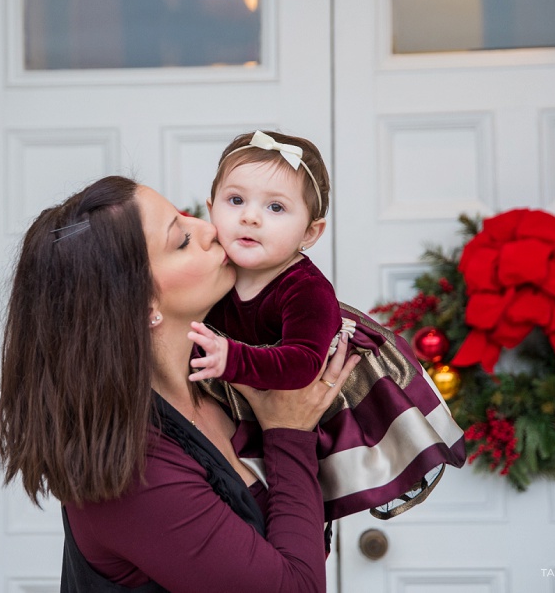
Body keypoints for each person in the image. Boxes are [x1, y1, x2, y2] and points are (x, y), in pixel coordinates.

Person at [0, 175, 360, 592]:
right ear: (142, 304)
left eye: (190, 218)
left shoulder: (221, 382)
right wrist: (290, 432)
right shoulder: (134, 475)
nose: (211, 228)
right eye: (182, 239)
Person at [188, 130, 466, 520]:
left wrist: (231, 357)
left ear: (310, 233)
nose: (249, 216)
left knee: (300, 498)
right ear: (210, 208)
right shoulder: (211, 269)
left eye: (276, 208)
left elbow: (302, 365)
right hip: (247, 394)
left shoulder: (305, 289)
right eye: (235, 201)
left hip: (326, 397)